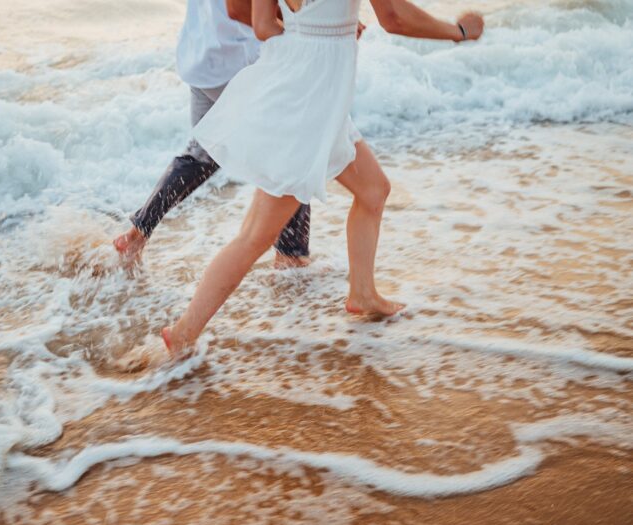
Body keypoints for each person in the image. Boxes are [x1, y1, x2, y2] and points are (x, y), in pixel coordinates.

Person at [162, 0, 484, 354]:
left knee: (374, 190)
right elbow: (394, 19)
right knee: (255, 236)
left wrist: (318, 28)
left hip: (298, 85)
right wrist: (460, 32)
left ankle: (363, 293)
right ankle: (182, 333)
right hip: (309, 101)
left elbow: (263, 28)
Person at [113, 0, 313, 269]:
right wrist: (312, 30)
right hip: (239, 62)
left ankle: (138, 232)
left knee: (203, 154)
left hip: (202, 54)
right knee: (290, 151)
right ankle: (291, 258)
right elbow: (240, 11)